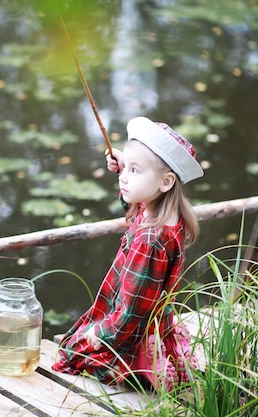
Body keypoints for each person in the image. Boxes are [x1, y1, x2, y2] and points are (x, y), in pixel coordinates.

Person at [52, 116, 203, 393]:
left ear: (166, 181)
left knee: (72, 353)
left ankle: (142, 369)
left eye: (135, 171)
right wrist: (127, 165)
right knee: (77, 340)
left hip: (131, 329)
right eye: (125, 170)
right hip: (149, 321)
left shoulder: (150, 240)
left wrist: (102, 333)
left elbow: (134, 309)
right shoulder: (167, 214)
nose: (123, 177)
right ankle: (150, 359)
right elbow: (134, 199)